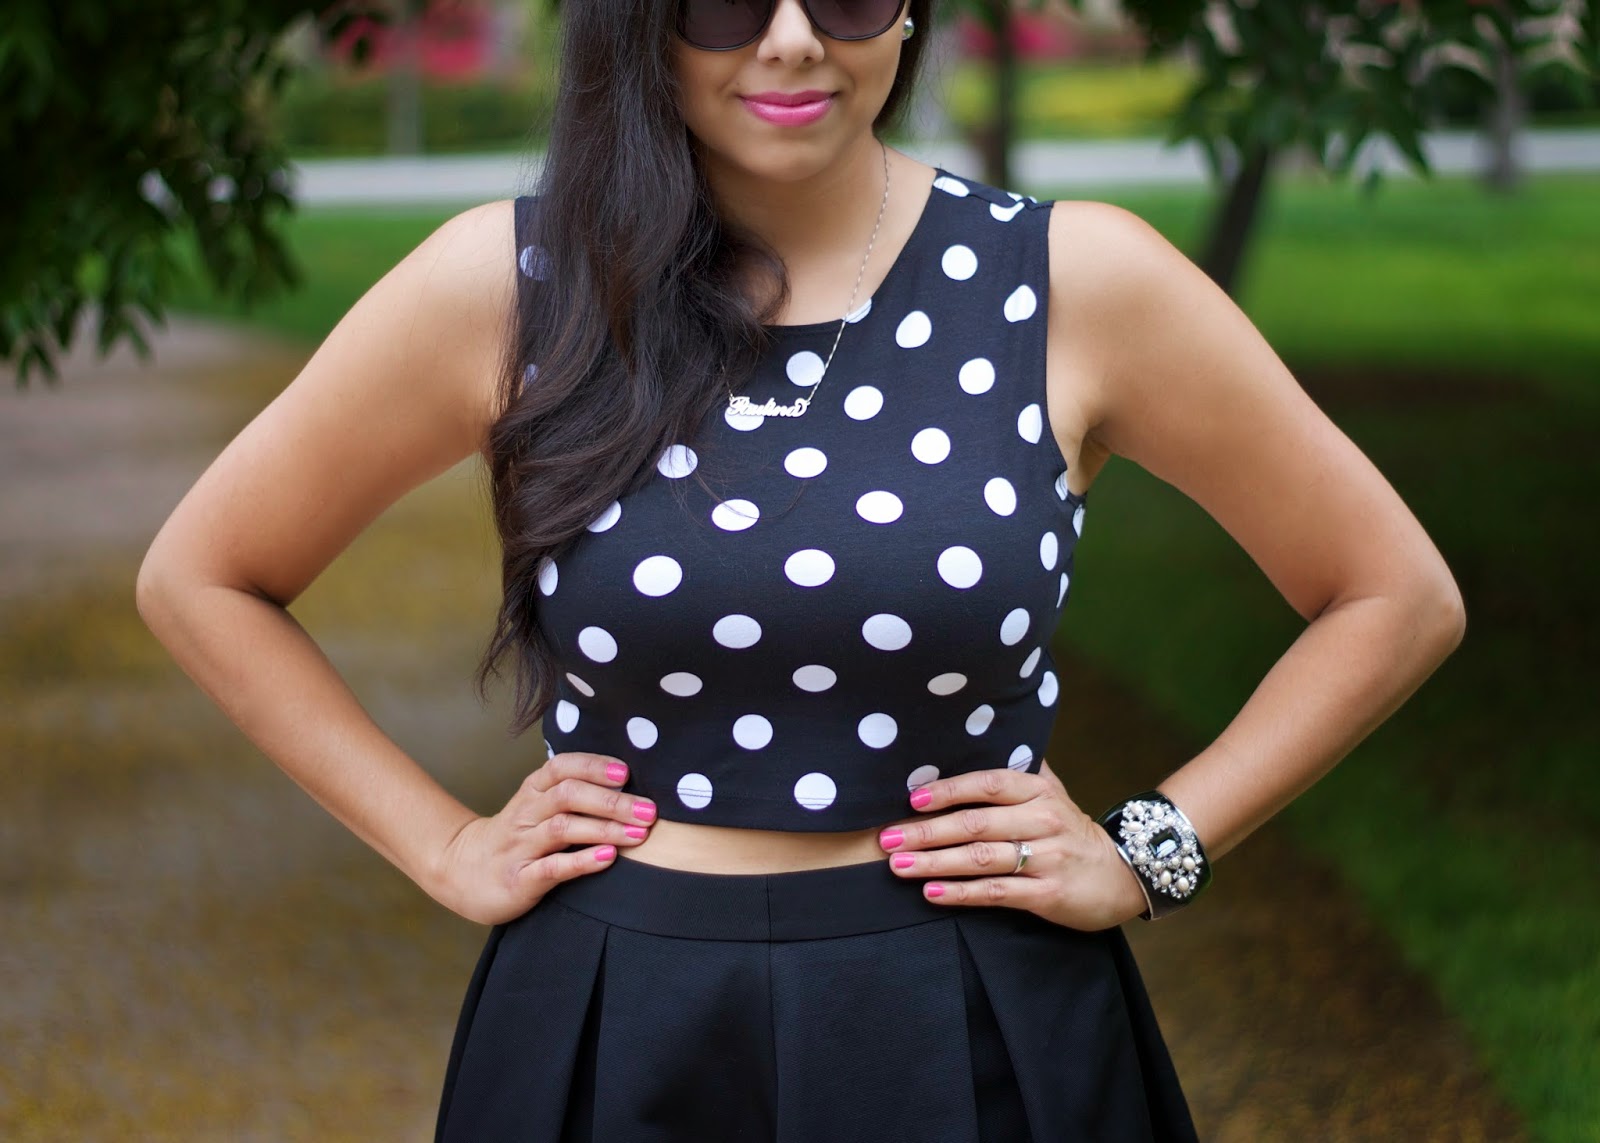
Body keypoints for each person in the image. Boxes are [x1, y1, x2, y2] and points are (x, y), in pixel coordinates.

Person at [136, 0, 1467, 1139]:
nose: (789, 42)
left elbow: (1392, 596)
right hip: (610, 1017)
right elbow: (206, 576)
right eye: (722, 1)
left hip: (978, 1010)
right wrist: (440, 847)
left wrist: (1150, 849)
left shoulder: (1074, 281)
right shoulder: (515, 284)